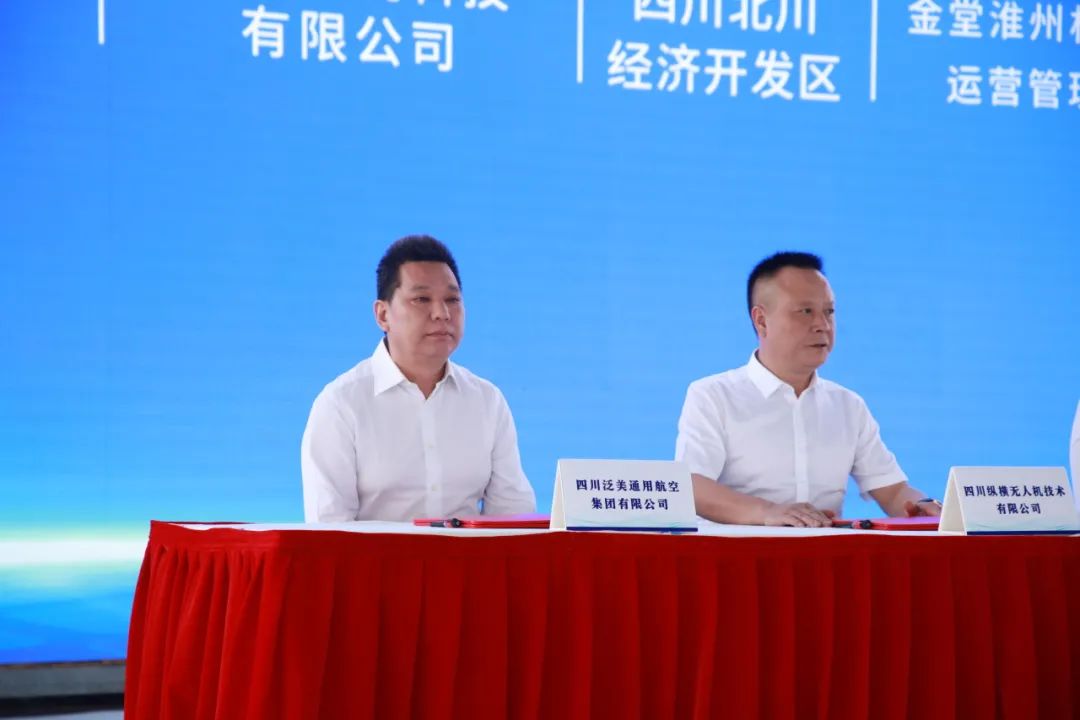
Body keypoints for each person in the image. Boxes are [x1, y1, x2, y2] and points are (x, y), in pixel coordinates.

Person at [675, 251, 941, 527]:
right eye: (805, 312)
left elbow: (893, 491)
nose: (822, 325)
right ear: (761, 320)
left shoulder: (847, 406)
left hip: (823, 553)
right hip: (740, 552)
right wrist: (767, 512)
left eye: (829, 312)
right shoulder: (713, 395)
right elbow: (693, 486)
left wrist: (925, 507)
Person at [301, 235, 536, 522]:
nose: (442, 313)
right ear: (383, 315)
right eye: (421, 299)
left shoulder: (487, 401)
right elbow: (329, 531)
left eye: (452, 300)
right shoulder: (341, 404)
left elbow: (513, 516)